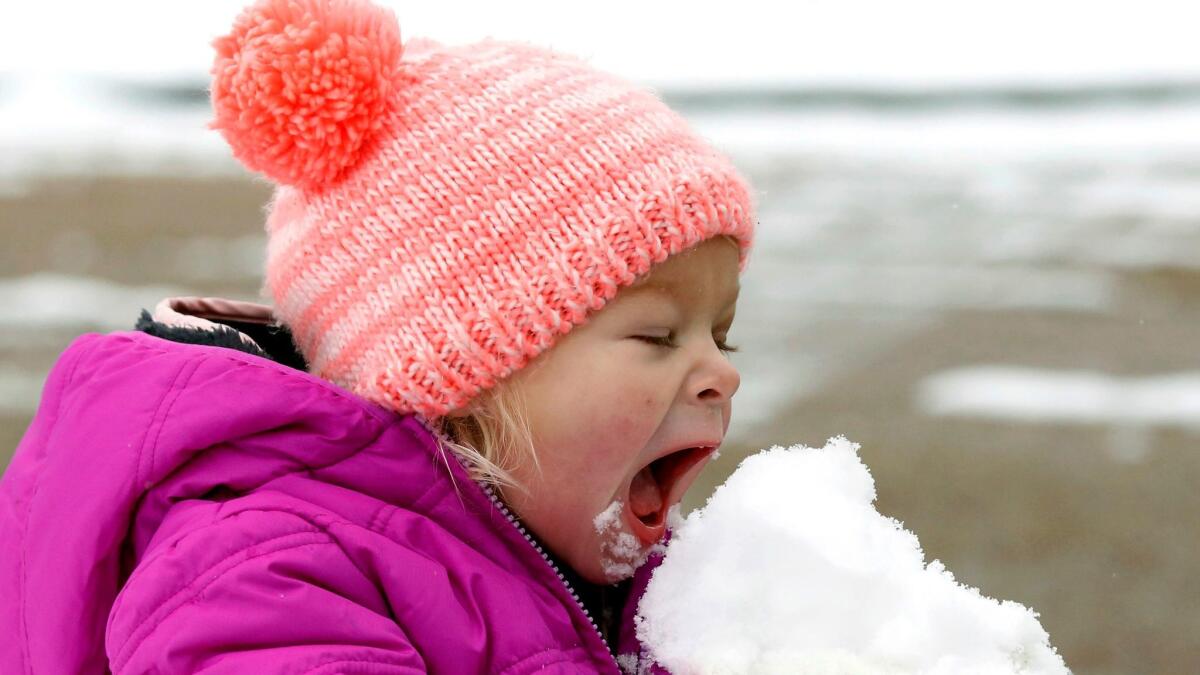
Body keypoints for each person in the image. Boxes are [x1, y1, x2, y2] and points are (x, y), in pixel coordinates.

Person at [0, 0, 755, 672]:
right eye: (658, 334)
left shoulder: (630, 572)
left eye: (722, 334)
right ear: (462, 377)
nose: (719, 371)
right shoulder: (273, 575)